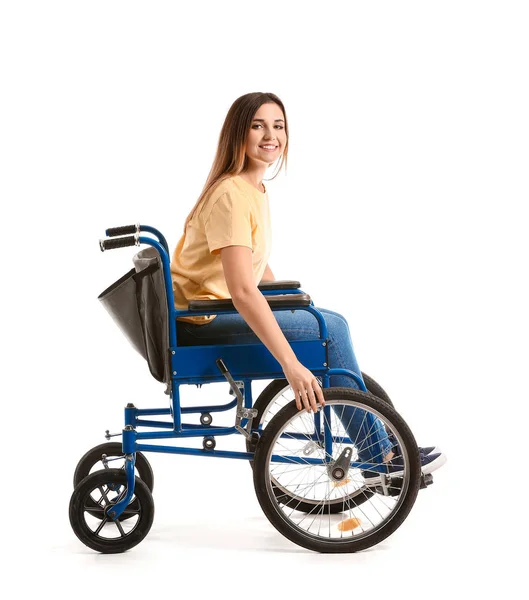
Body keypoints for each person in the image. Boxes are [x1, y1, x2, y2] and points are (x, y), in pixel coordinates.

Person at [170, 92, 446, 481]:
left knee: (327, 319)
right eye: (258, 125)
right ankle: (379, 457)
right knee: (328, 330)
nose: (271, 135)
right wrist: (292, 365)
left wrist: (292, 302)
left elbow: (257, 270)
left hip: (215, 310)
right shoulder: (231, 195)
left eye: (278, 126)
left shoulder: (252, 189)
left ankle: (384, 445)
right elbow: (244, 291)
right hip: (202, 321)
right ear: (238, 134)